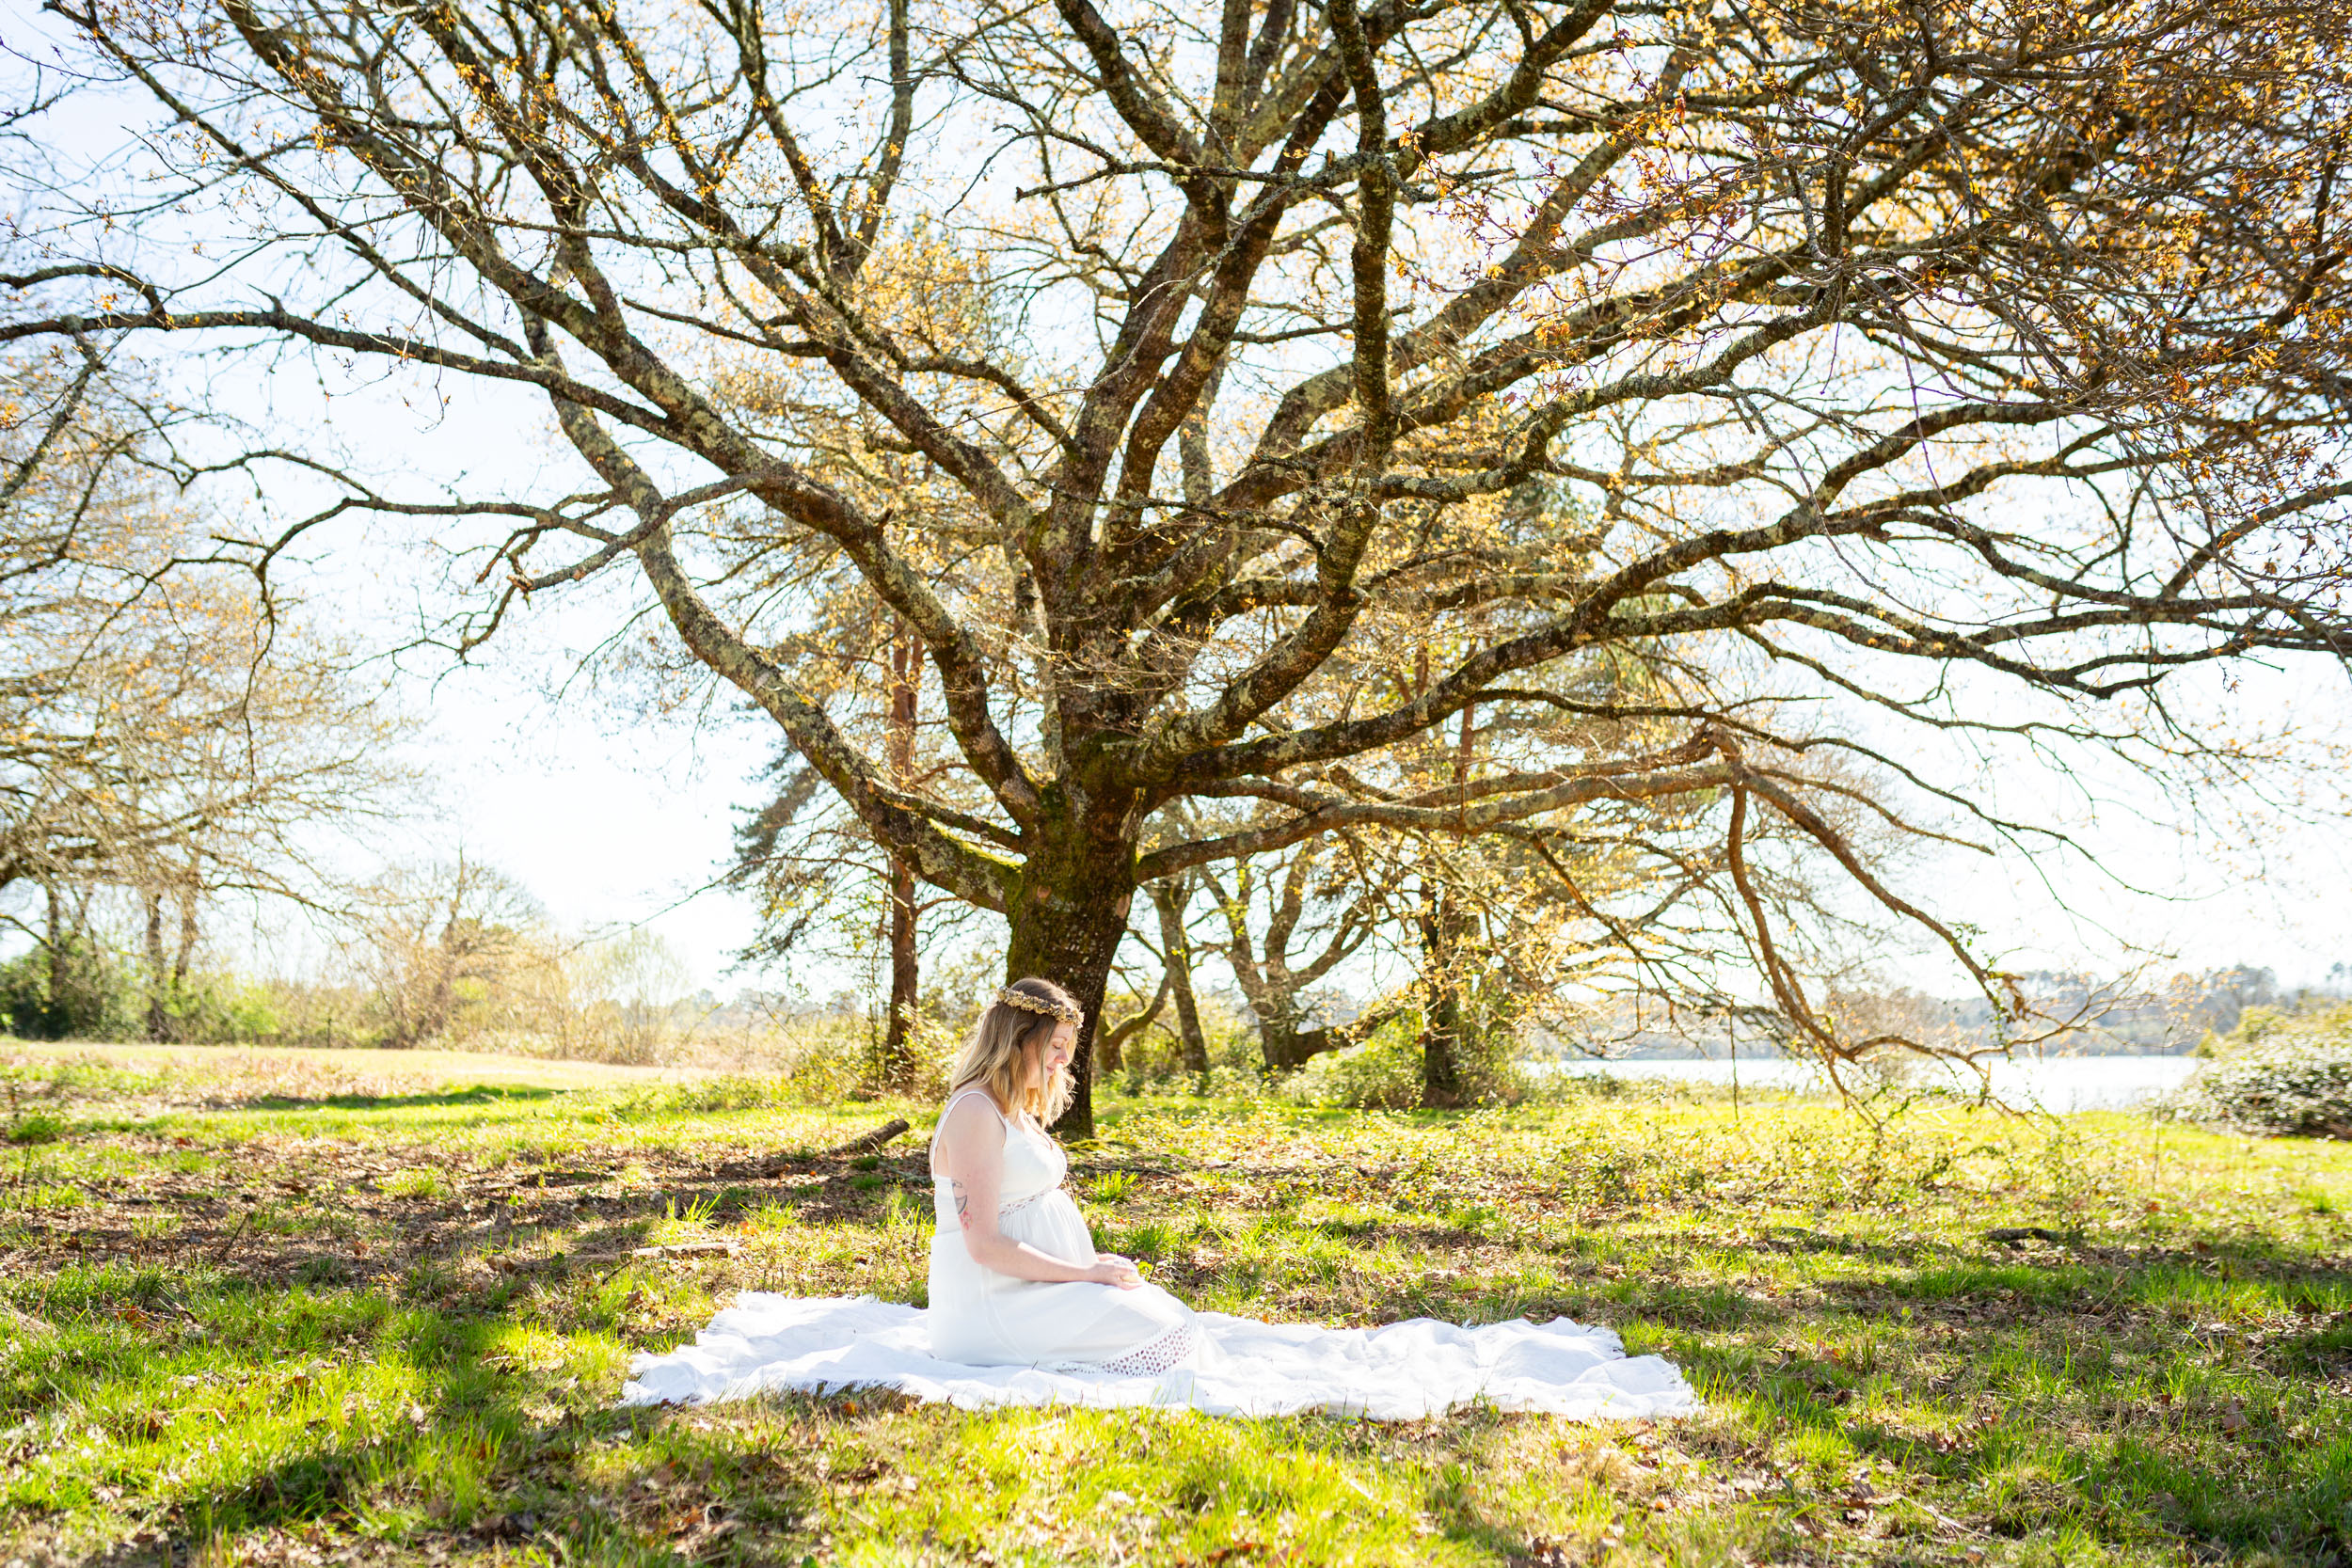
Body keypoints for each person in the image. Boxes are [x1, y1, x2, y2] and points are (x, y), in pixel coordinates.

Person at [926, 976, 1200, 1375]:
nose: (1062, 1060)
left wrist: (1087, 1263)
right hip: (992, 1306)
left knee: (1174, 1318)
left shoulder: (1011, 1108)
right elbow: (983, 1245)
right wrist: (1084, 1273)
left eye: (1067, 1048)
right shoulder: (975, 1111)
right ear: (1019, 1038)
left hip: (1033, 1291)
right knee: (1165, 1333)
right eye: (1056, 1046)